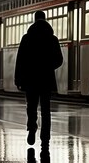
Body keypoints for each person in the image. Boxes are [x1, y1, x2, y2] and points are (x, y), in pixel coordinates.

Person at [14, 11, 63, 146]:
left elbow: (20, 61)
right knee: (46, 108)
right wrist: (48, 66)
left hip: (30, 79)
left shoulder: (27, 38)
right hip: (46, 79)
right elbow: (59, 59)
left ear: (34, 20)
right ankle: (45, 135)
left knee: (31, 107)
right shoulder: (52, 39)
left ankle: (32, 128)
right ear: (45, 19)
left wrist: (18, 79)